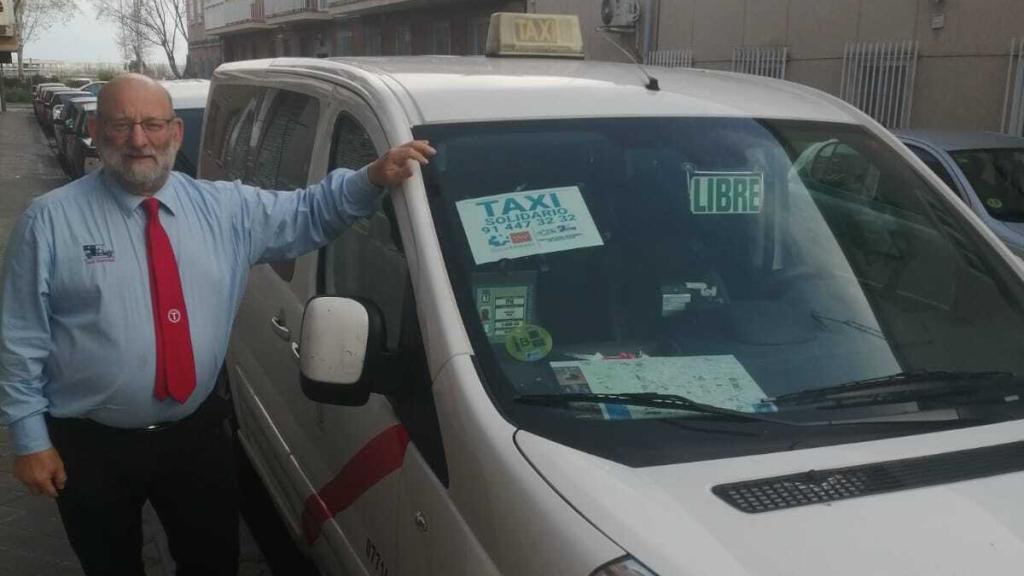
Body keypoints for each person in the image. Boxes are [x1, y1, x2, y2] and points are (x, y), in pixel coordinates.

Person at [0, 73, 435, 575]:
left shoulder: (226, 209)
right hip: (90, 444)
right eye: (121, 125)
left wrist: (373, 177)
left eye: (153, 124)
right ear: (96, 130)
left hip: (195, 436)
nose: (139, 139)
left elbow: (309, 211)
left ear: (176, 133)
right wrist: (30, 439)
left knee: (212, 561)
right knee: (109, 564)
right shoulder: (48, 222)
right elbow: (21, 338)